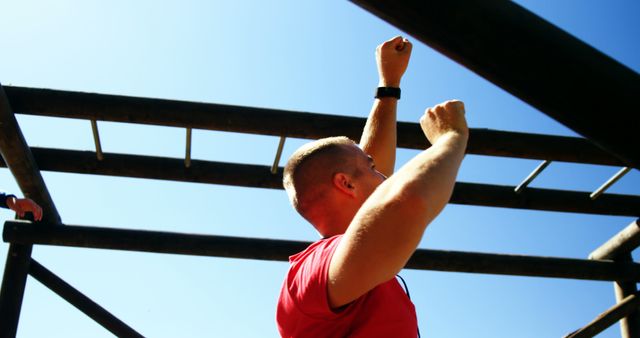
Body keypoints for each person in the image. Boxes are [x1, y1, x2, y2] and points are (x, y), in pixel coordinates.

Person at [276, 36, 469, 337]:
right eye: (373, 170)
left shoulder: (340, 268)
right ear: (346, 185)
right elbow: (404, 203)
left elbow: (367, 180)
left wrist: (389, 85)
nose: (384, 176)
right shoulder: (312, 271)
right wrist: (451, 139)